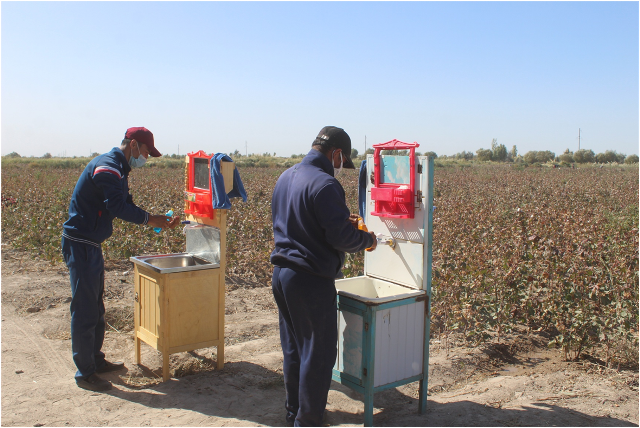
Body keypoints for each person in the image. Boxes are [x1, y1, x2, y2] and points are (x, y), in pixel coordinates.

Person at [270, 126, 377, 426]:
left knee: (294, 349)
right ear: (336, 154)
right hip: (310, 280)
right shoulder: (325, 184)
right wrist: (367, 240)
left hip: (282, 275)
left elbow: (301, 222)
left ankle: (295, 413)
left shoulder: (286, 176)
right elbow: (340, 237)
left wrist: (343, 223)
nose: (341, 168)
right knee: (317, 356)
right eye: (343, 162)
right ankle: (309, 421)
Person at [61, 127, 180, 392]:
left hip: (90, 243)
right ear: (134, 145)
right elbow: (117, 206)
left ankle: (95, 360)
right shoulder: (108, 166)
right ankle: (85, 373)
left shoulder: (120, 170)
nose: (146, 159)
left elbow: (126, 202)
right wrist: (152, 220)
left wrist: (155, 219)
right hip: (80, 243)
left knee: (96, 306)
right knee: (85, 308)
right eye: (147, 152)